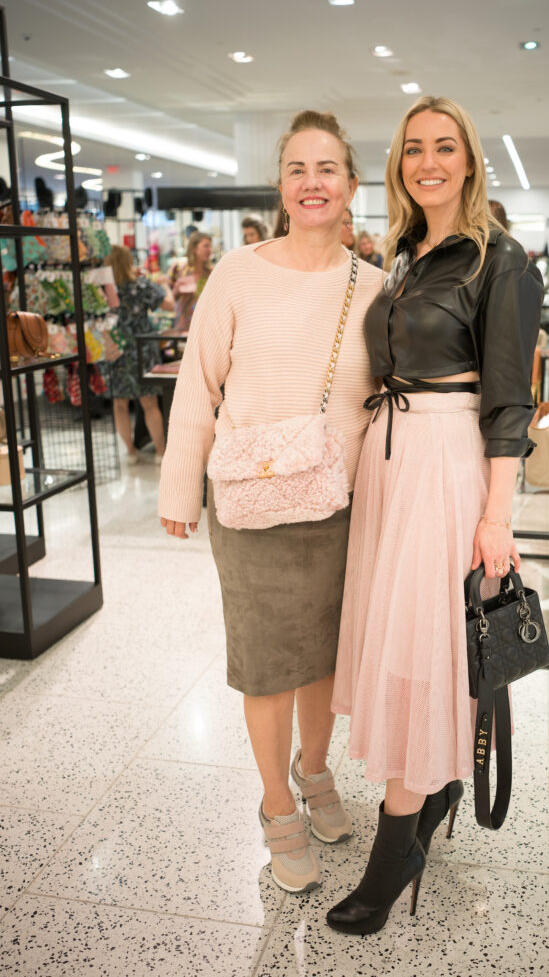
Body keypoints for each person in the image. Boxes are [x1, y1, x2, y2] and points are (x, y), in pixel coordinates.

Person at [327, 96, 542, 935]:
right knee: (407, 641)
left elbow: (509, 400)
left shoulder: (499, 258)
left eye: (444, 147)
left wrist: (498, 512)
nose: (428, 161)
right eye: (414, 148)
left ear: (469, 159)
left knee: (422, 643)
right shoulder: (405, 255)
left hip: (446, 463)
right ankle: (432, 789)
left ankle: (394, 855)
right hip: (390, 463)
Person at [157, 111, 384, 894]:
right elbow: (199, 382)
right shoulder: (237, 272)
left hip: (339, 504)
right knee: (266, 666)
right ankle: (277, 801)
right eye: (297, 168)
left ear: (352, 186)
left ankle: (314, 769)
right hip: (251, 502)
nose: (312, 182)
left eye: (327, 168)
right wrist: (181, 485)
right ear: (281, 185)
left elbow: (386, 406)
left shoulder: (377, 286)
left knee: (323, 660)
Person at [104, 245, 172, 464]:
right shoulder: (141, 285)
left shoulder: (104, 290)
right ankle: (160, 451)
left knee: (120, 403)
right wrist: (164, 285)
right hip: (143, 347)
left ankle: (131, 451)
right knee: (149, 402)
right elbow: (168, 305)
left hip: (116, 347)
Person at [166, 231, 214, 330]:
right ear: (195, 248)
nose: (210, 250)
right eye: (206, 246)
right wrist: (177, 288)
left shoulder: (212, 273)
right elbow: (169, 300)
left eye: (210, 246)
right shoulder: (178, 269)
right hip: (183, 326)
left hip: (206, 326)